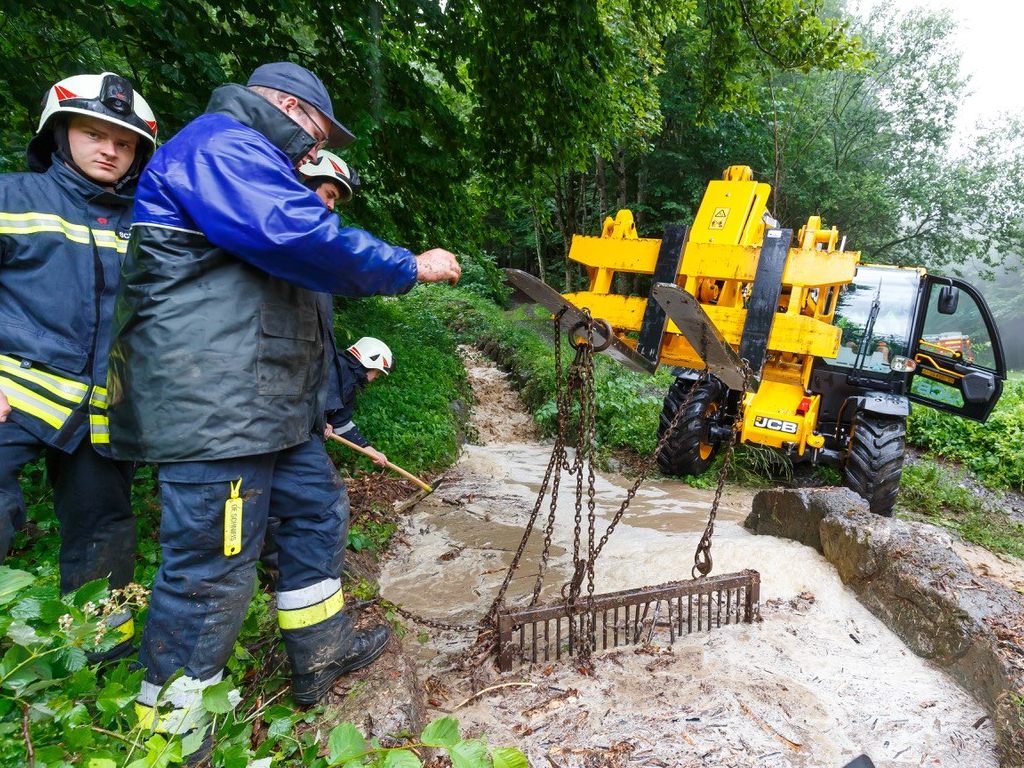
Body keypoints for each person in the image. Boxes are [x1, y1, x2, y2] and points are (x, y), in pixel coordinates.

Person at [105, 62, 460, 737]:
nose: (311, 151)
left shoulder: (247, 158)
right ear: (287, 107)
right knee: (211, 568)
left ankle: (320, 654)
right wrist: (408, 265)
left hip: (272, 411)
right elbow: (302, 235)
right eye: (314, 134)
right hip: (220, 413)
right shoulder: (221, 148)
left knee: (317, 512)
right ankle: (174, 737)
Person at [0, 73, 157, 659]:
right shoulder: (12, 197)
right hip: (13, 397)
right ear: (59, 134)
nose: (110, 149)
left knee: (105, 536)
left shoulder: (146, 223)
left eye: (125, 142)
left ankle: (101, 667)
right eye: (94, 134)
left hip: (103, 412)